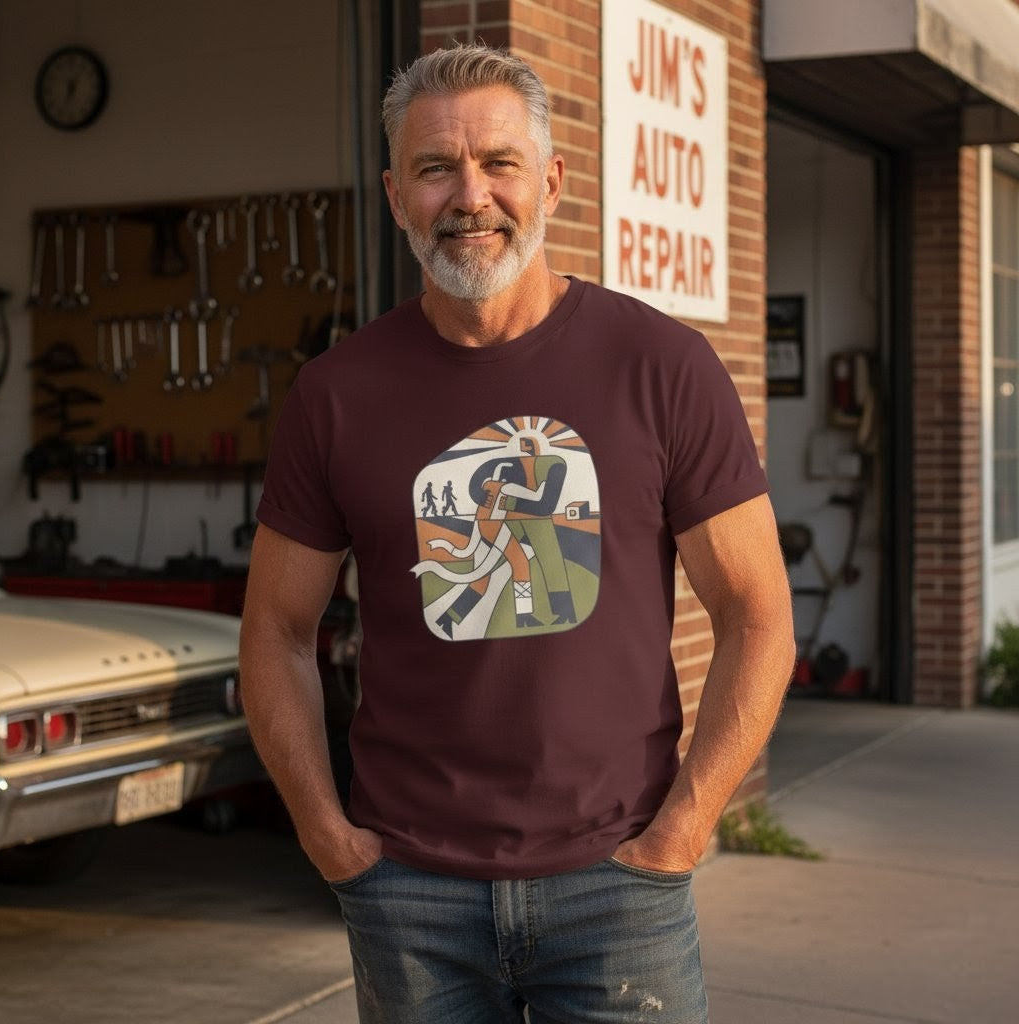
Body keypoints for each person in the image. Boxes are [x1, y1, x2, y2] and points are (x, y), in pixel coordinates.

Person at [239, 42, 794, 1024]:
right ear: (394, 193)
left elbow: (755, 613)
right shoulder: (335, 396)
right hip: (408, 888)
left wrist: (683, 827)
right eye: (434, 167)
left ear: (552, 178)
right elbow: (277, 632)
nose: (470, 194)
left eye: (497, 162)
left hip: (616, 886)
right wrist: (329, 837)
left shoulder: (659, 367)